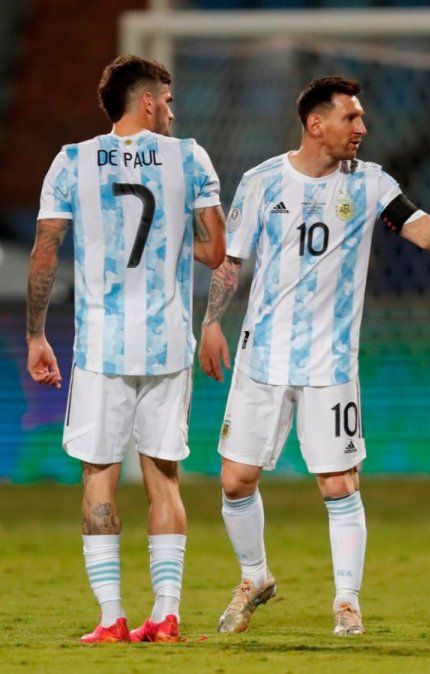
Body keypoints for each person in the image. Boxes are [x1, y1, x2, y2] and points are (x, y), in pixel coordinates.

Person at [197, 75, 430, 636]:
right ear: (317, 124)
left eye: (362, 119)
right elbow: (231, 260)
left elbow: (428, 235)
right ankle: (254, 577)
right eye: (351, 118)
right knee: (236, 480)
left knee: (339, 484)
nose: (362, 128)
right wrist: (212, 322)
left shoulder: (372, 185)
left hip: (331, 363)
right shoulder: (262, 182)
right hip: (261, 356)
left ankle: (346, 602)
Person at [27, 55, 226, 644]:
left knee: (98, 479)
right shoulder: (189, 157)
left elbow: (44, 254)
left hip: (100, 349)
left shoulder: (71, 162)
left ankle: (112, 617)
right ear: (146, 102)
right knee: (164, 478)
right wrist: (172, 240)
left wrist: (37, 335)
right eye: (166, 100)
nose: (171, 110)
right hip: (166, 345)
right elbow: (215, 251)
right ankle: (165, 615)